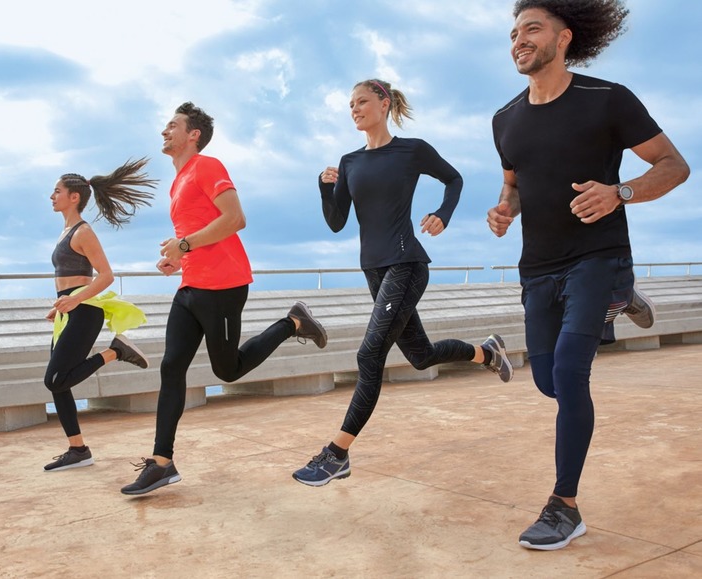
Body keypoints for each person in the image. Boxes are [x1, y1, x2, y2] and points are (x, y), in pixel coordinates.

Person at [489, 0, 690, 550]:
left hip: (596, 254)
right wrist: (506, 207)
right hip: (538, 266)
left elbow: (674, 166)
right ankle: (622, 296)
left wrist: (619, 192)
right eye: (513, 33)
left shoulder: (609, 99)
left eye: (532, 29)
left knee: (573, 373)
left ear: (564, 38)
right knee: (548, 381)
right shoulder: (504, 118)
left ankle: (564, 506)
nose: (519, 40)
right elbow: (515, 182)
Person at [291, 79, 514, 488]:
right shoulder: (350, 162)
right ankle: (487, 352)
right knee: (422, 355)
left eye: (361, 101)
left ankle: (336, 454)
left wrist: (443, 214)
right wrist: (324, 188)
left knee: (369, 355)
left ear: (384, 103)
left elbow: (454, 179)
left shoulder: (411, 150)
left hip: (407, 263)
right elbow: (337, 222)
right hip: (373, 270)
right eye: (350, 104)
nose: (354, 109)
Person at [120, 102, 328, 496]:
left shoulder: (207, 166)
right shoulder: (177, 181)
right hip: (190, 286)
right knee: (171, 367)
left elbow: (235, 219)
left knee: (227, 371)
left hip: (224, 286)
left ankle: (293, 322)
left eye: (173, 125)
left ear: (193, 134)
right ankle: (162, 462)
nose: (165, 131)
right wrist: (178, 258)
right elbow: (201, 233)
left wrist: (183, 243)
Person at [44, 158, 157, 472]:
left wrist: (74, 300)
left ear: (74, 197)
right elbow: (69, 280)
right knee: (60, 385)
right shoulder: (66, 231)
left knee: (54, 379)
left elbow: (106, 276)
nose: (51, 197)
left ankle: (115, 351)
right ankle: (77, 449)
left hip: (85, 311)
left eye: (56, 191)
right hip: (69, 310)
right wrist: (59, 305)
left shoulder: (83, 232)